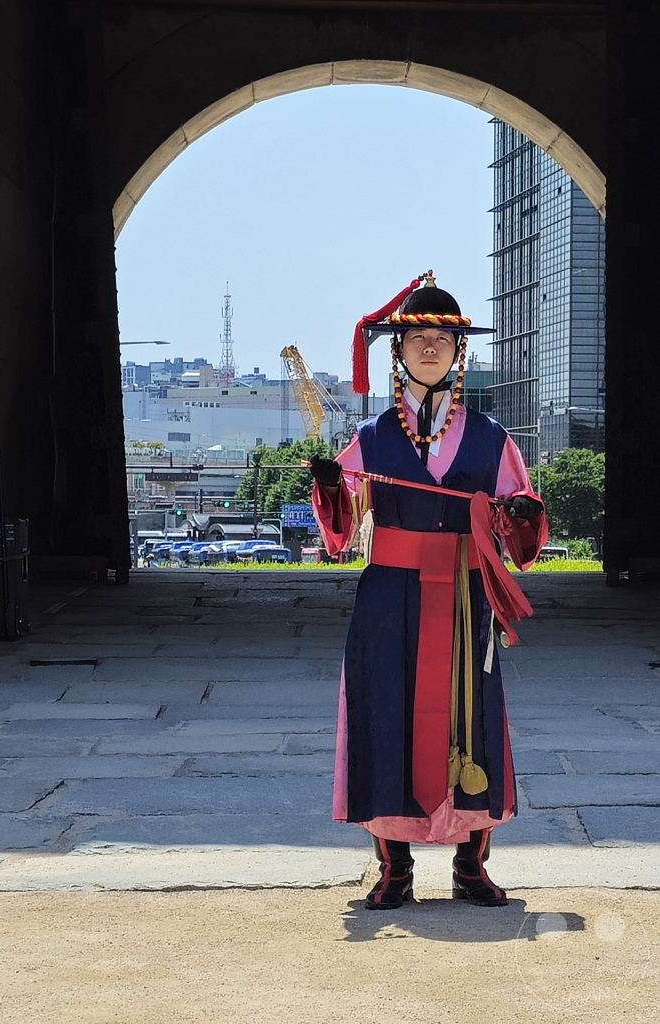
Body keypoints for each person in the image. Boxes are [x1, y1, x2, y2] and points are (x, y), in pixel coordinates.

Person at [310, 271, 547, 910]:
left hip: (467, 593)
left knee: (471, 714)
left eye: (444, 338)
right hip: (389, 599)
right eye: (419, 339)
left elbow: (523, 522)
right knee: (384, 713)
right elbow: (341, 526)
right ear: (398, 351)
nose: (431, 348)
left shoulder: (493, 437)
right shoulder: (370, 437)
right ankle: (395, 868)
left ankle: (472, 865)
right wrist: (333, 485)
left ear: (458, 350)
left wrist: (519, 512)